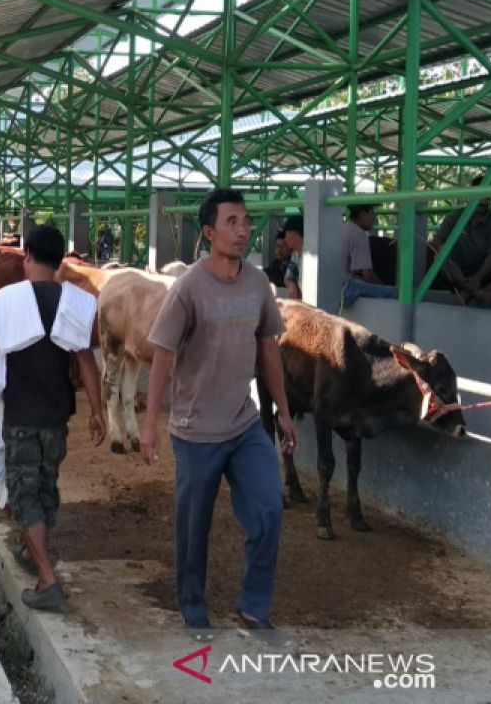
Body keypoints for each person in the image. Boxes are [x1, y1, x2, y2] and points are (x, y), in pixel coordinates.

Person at [140, 188, 297, 648]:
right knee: (194, 527)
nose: (243, 229)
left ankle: (254, 608)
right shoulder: (189, 287)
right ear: (209, 232)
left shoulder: (257, 284)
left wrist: (284, 414)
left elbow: (268, 348)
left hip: (244, 422)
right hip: (194, 430)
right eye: (232, 222)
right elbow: (163, 354)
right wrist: (150, 423)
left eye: (246, 221)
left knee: (269, 508)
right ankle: (194, 609)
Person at [0, 225, 107, 611]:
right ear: (61, 260)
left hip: (21, 416)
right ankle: (32, 553)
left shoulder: (8, 302)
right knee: (46, 484)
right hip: (56, 415)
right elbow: (87, 362)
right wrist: (98, 411)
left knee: (24, 493)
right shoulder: (76, 302)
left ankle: (47, 580)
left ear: (27, 257)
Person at [430, 176, 491, 303]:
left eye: (488, 197)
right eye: (481, 196)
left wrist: (478, 277)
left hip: (483, 276)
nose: (484, 201)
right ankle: (470, 290)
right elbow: (437, 241)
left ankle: (468, 291)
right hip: (456, 272)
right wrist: (452, 266)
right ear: (471, 193)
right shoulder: (454, 216)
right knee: (439, 257)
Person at [342, 204, 397, 306]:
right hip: (345, 288)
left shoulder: (343, 228)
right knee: (394, 294)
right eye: (372, 215)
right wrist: (381, 286)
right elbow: (368, 276)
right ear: (363, 215)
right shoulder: (358, 234)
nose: (374, 219)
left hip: (332, 286)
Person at [281, 215, 303, 300]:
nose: (285, 239)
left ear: (294, 234)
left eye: (286, 234)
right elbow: (288, 276)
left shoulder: (312, 256)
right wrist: (291, 283)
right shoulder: (295, 255)